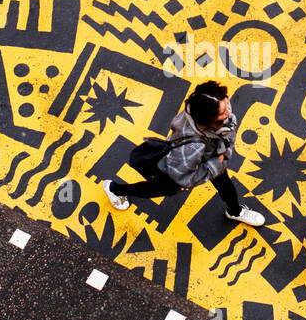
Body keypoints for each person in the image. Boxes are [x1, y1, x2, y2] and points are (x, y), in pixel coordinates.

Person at [102, 80, 265, 226]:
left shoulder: (200, 111)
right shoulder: (190, 148)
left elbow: (225, 136)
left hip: (209, 157)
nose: (229, 113)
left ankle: (235, 212)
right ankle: (114, 189)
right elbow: (184, 179)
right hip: (178, 173)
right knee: (154, 190)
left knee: (225, 185)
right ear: (207, 121)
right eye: (222, 113)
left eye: (227, 105)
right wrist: (216, 163)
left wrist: (220, 156)